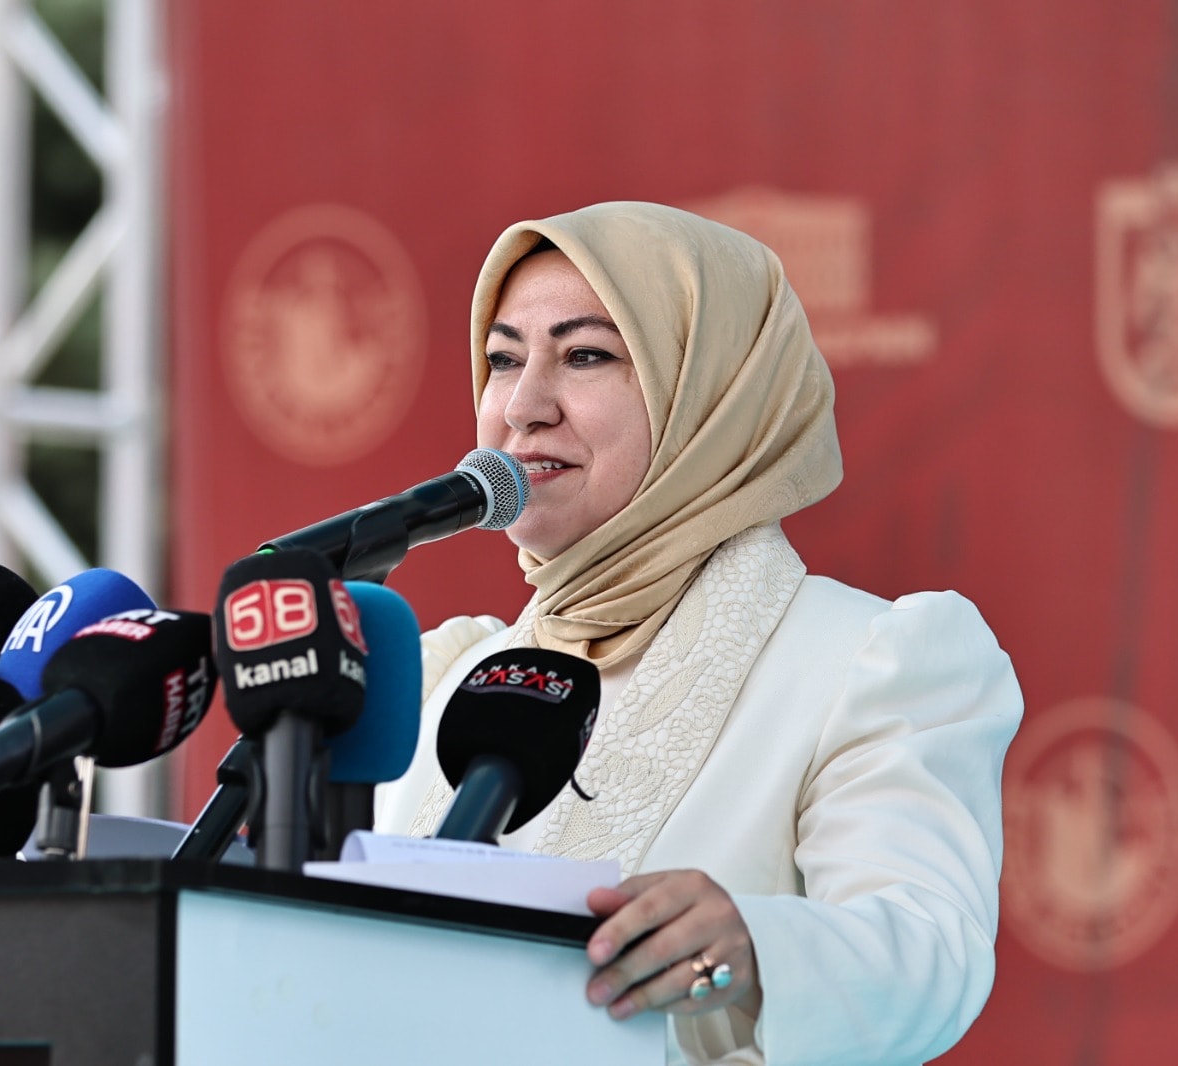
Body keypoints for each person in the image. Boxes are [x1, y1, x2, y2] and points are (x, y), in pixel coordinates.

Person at [373, 201, 1023, 1065]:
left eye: (586, 354)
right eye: (502, 359)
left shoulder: (864, 660)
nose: (523, 407)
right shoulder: (450, 679)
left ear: (712, 396)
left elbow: (926, 957)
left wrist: (753, 946)